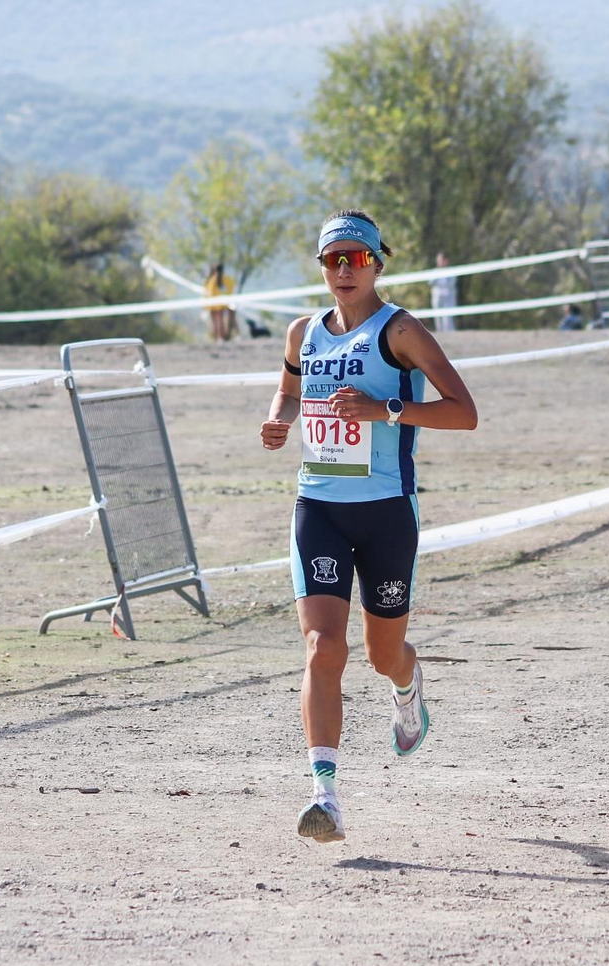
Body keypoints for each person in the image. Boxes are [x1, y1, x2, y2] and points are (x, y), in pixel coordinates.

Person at [260, 209, 478, 844]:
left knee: (384, 655)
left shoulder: (401, 331)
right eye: (332, 260)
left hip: (386, 512)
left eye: (355, 258)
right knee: (323, 648)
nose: (343, 270)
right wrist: (278, 421)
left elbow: (464, 413)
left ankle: (408, 686)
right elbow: (289, 395)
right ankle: (324, 795)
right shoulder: (304, 332)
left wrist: (385, 409)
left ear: (378, 264)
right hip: (319, 507)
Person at [203, 263, 236, 342]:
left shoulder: (217, 280)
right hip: (216, 305)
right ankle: (220, 337)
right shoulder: (213, 281)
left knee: (219, 321)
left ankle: (223, 337)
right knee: (218, 322)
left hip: (221, 305)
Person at [429, 251, 458, 332]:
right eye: (438, 260)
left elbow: (452, 284)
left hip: (448, 297)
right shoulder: (434, 272)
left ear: (446, 261)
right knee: (437, 316)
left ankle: (450, 333)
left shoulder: (451, 271)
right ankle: (440, 333)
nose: (440, 262)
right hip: (437, 297)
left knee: (448, 317)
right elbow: (430, 282)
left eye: (441, 260)